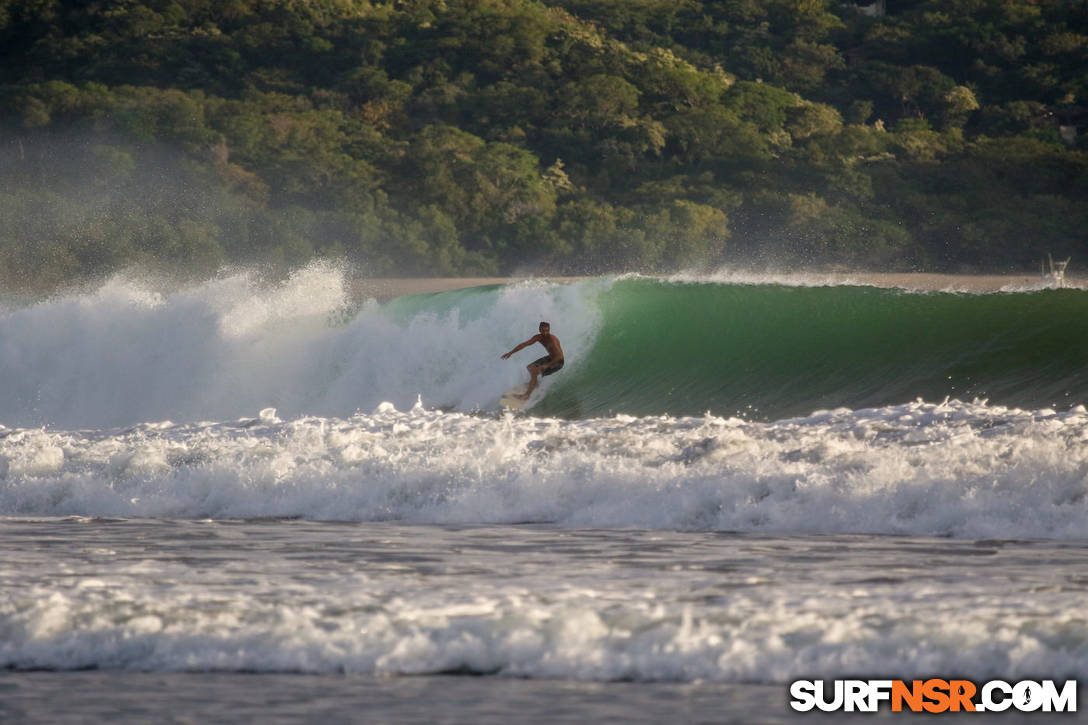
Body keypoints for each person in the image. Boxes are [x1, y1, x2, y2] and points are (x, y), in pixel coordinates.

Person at [501, 321, 564, 399]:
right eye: (543, 331)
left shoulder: (553, 340)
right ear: (539, 330)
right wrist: (511, 352)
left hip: (558, 362)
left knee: (535, 372)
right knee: (530, 367)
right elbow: (525, 344)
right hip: (551, 358)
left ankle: (526, 395)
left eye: (547, 330)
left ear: (549, 330)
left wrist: (547, 365)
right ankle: (535, 385)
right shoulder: (538, 337)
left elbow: (560, 356)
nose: (545, 333)